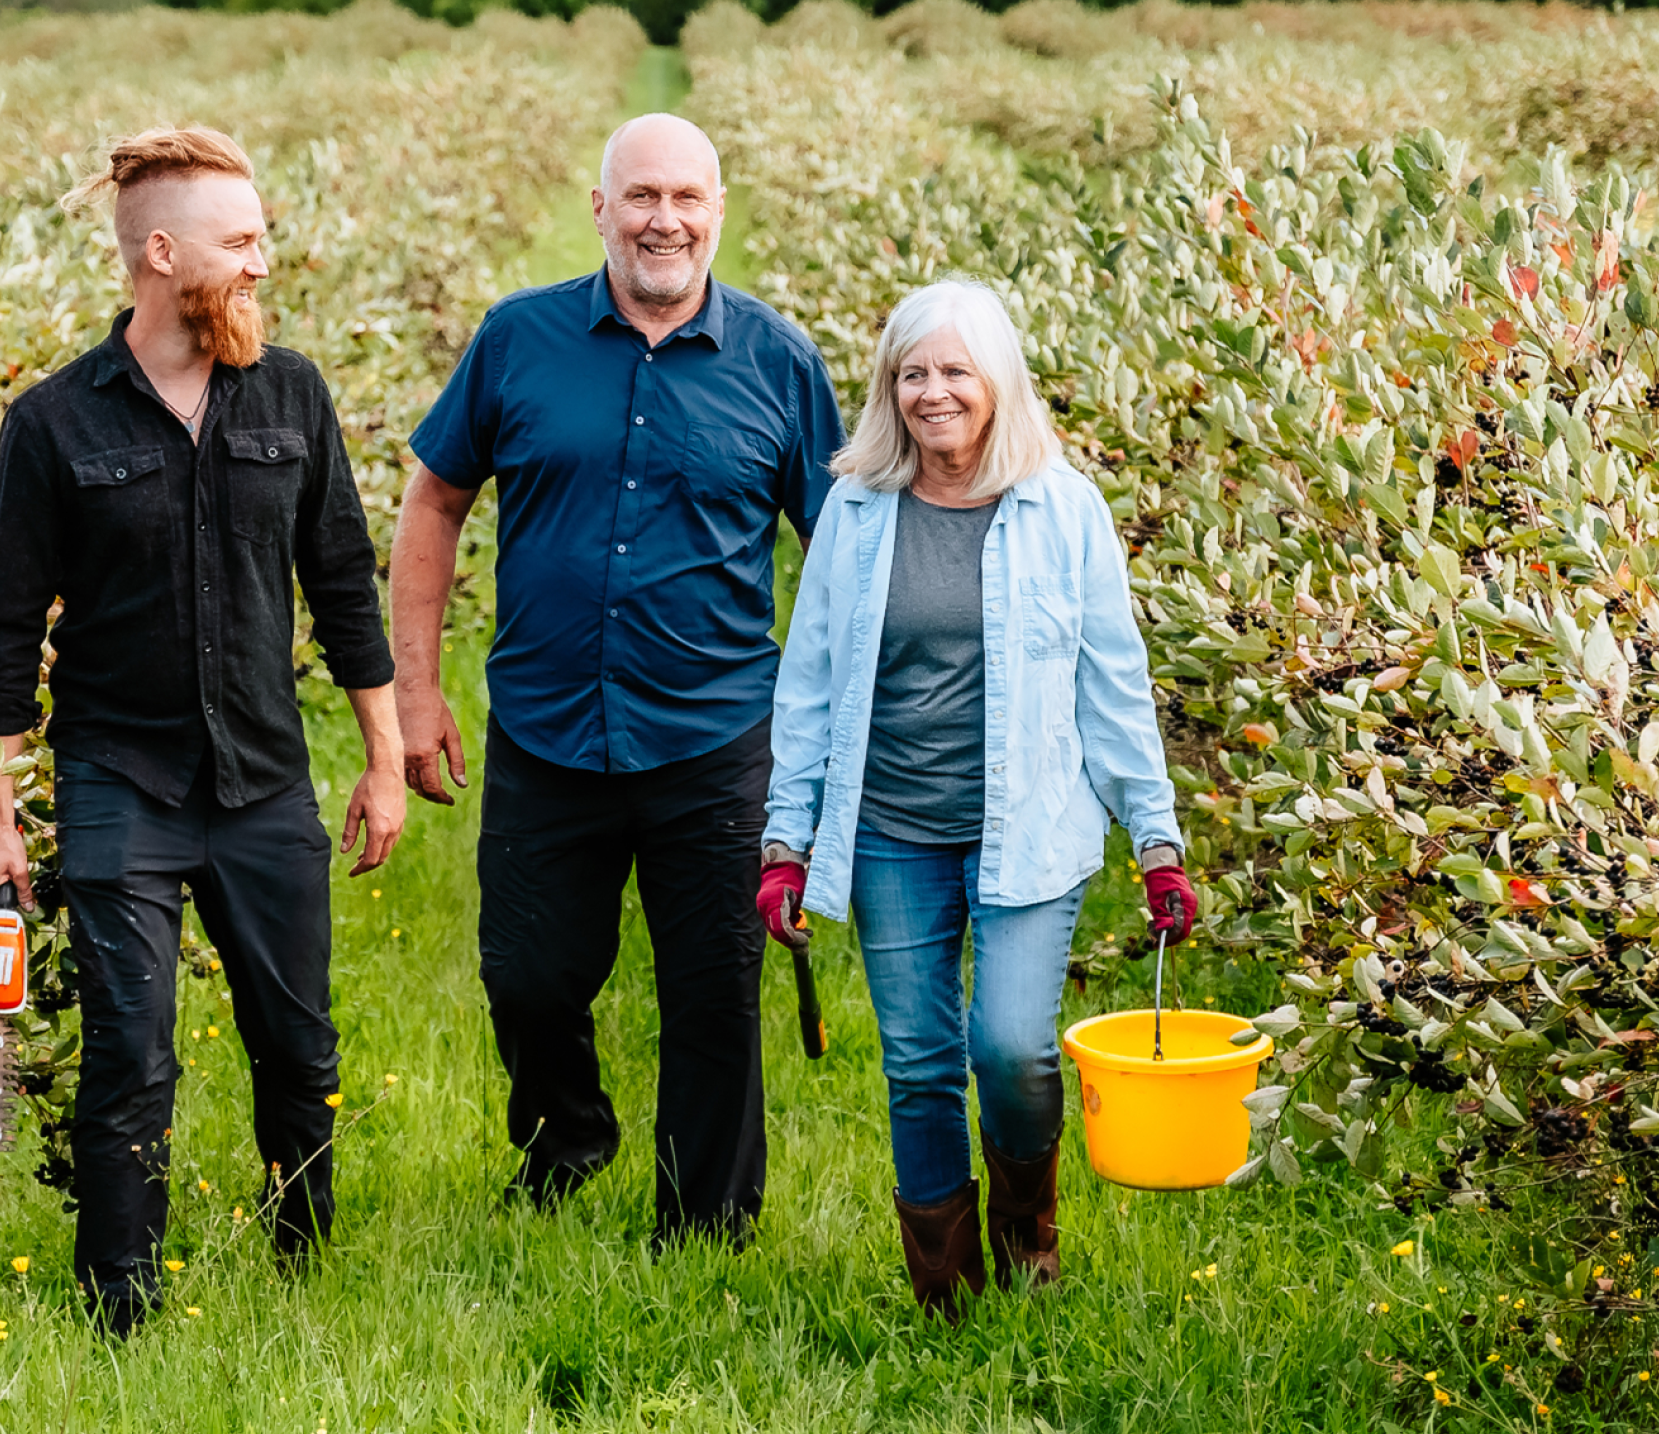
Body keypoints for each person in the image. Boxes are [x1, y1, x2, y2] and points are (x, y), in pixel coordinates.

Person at [0, 125, 407, 1334]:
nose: (263, 263)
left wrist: (381, 761)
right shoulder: (52, 424)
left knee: (298, 1050)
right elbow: (10, 634)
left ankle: (303, 1263)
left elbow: (343, 585)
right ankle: (122, 1309)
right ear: (162, 255)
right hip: (120, 782)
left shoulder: (294, 395)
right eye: (243, 241)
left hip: (265, 780)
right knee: (130, 1060)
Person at [392, 111, 844, 1243]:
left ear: (719, 213)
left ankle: (704, 1226)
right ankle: (570, 1133)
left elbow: (841, 557)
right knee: (529, 979)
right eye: (641, 196)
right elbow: (434, 501)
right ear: (600, 209)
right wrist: (414, 687)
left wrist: (836, 738)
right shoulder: (518, 341)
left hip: (717, 733)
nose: (665, 219)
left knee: (714, 993)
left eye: (688, 198)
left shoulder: (780, 364)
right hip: (549, 726)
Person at [759, 276, 1192, 1315]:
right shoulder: (857, 514)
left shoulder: (1063, 510)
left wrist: (1157, 838)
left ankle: (1027, 1232)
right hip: (892, 832)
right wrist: (788, 840)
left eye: (955, 371)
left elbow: (1113, 680)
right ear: (888, 388)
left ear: (998, 382)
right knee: (916, 1065)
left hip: (1032, 830)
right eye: (912, 374)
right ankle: (944, 1296)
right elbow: (809, 681)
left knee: (1009, 1047)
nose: (932, 393)